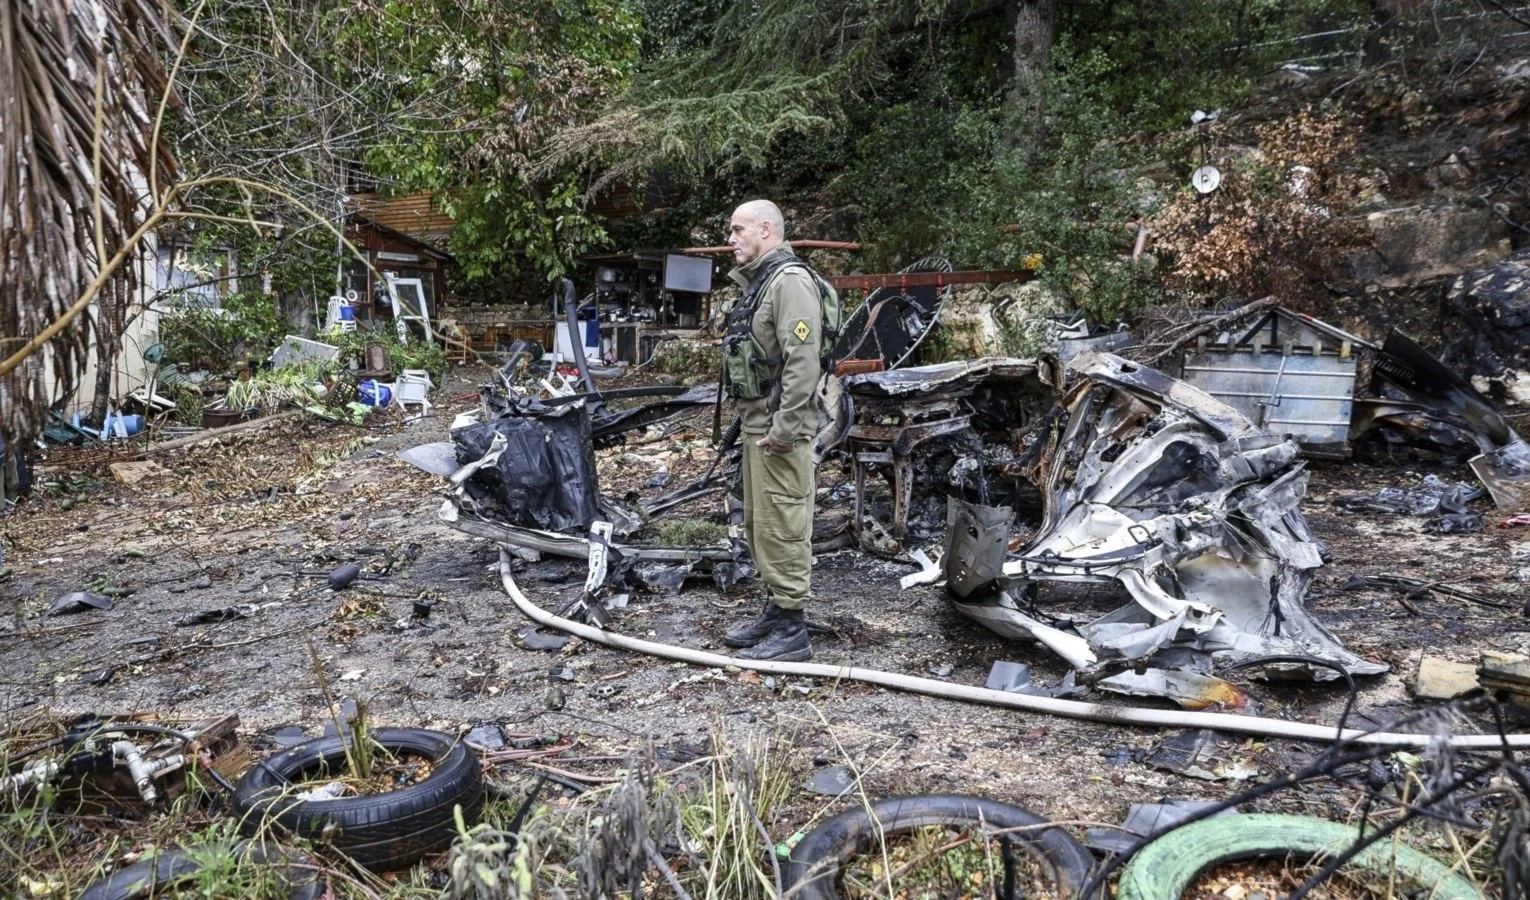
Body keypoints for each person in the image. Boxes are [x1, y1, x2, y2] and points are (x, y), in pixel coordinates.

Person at [718, 200, 823, 662]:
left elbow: (803, 364)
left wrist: (784, 428)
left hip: (782, 431)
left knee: (785, 523)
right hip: (758, 427)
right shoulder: (761, 284)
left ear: (766, 229)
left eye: (738, 230)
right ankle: (776, 609)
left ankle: (793, 626)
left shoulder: (791, 283)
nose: (732, 238)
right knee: (761, 524)